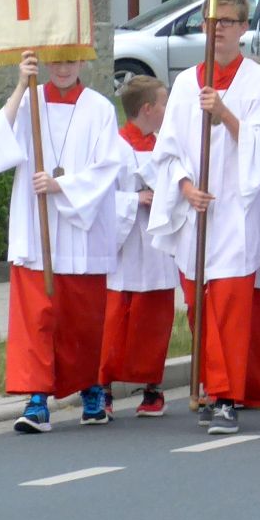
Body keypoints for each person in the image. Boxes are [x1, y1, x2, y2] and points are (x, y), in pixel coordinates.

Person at [148, 0, 260, 435]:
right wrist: (185, 187)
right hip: (196, 214)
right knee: (198, 305)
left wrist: (224, 114)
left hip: (235, 214)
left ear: (243, 27)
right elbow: (167, 150)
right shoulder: (185, 83)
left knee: (229, 307)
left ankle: (226, 397)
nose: (218, 29)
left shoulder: (259, 81)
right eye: (211, 22)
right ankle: (211, 384)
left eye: (227, 21)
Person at [0, 51, 123, 433]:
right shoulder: (29, 101)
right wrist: (19, 85)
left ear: (81, 63)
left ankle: (90, 388)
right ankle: (37, 400)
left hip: (82, 232)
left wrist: (61, 185)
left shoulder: (100, 108)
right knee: (35, 319)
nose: (62, 68)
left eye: (69, 61)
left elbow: (108, 167)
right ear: (45, 63)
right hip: (35, 227)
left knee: (82, 320)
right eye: (56, 61)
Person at [101, 75, 177, 418]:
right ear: (147, 109)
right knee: (116, 320)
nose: (167, 109)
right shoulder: (113, 147)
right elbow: (100, 195)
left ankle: (152, 387)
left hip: (157, 244)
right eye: (163, 103)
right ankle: (103, 388)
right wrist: (135, 199)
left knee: (154, 319)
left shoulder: (164, 144)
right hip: (127, 243)